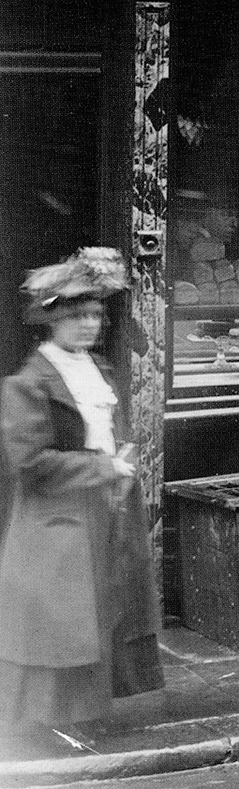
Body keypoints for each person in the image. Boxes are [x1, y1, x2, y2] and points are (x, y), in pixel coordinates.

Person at [0, 249, 163, 728]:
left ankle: (83, 715)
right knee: (61, 622)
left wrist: (119, 460)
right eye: (76, 316)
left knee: (102, 613)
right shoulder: (27, 383)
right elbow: (31, 464)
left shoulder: (98, 369)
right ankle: (40, 725)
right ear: (51, 321)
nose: (89, 324)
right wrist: (106, 467)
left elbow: (103, 430)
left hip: (104, 509)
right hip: (57, 516)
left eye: (95, 314)